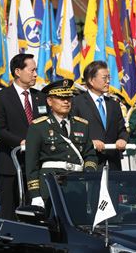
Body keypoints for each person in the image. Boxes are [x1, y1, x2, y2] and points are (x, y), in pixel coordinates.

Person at [25, 80, 98, 208]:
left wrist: (88, 173)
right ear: (49, 101)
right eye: (61, 98)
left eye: (68, 98)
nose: (66, 101)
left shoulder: (82, 125)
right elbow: (31, 164)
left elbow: (90, 155)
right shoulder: (38, 127)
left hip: (77, 186)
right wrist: (35, 194)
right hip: (50, 185)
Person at [0, 53, 47, 219]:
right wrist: (22, 142)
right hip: (12, 163)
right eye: (32, 70)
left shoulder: (40, 97)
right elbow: (0, 130)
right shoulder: (1, 97)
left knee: (36, 211)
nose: (35, 74)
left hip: (37, 166)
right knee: (10, 211)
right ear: (17, 71)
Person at [71, 61, 128, 170]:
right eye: (104, 78)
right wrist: (90, 142)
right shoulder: (77, 103)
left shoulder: (114, 104)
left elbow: (122, 129)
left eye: (109, 77)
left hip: (112, 163)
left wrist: (122, 139)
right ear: (91, 80)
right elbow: (71, 130)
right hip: (89, 162)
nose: (108, 81)